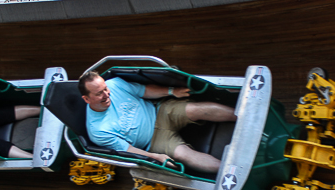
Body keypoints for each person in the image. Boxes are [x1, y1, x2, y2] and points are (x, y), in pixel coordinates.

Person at [79, 71, 236, 173]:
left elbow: (144, 90)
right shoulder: (97, 130)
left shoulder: (115, 84)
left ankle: (239, 116)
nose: (107, 94)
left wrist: (171, 91)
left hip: (160, 112)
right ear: (86, 99)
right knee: (184, 155)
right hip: (154, 142)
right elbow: (128, 150)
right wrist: (155, 156)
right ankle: (230, 170)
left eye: (105, 88)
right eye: (99, 94)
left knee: (196, 109)